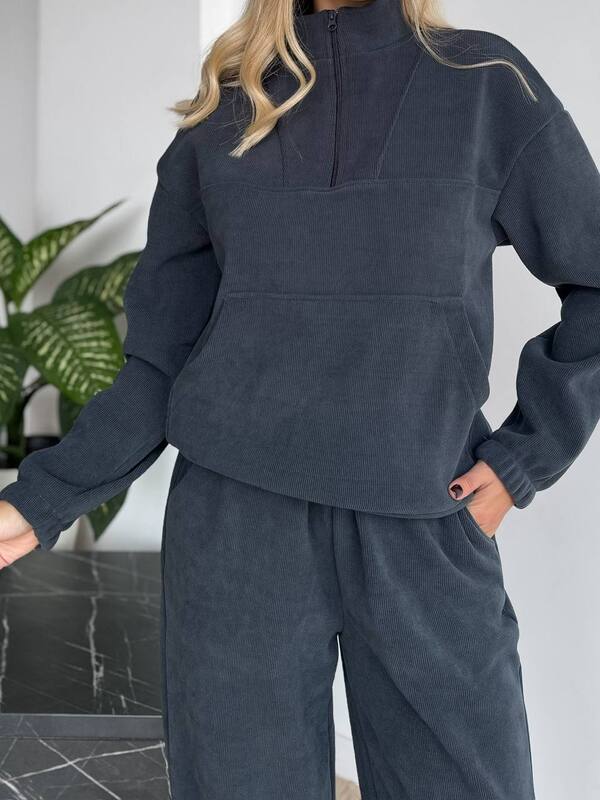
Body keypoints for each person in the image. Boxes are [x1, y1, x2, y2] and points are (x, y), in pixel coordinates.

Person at [1, 0, 599, 797]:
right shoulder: (227, 108)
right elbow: (161, 362)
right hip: (236, 531)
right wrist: (40, 501)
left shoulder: (487, 82)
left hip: (423, 520)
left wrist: (525, 456)